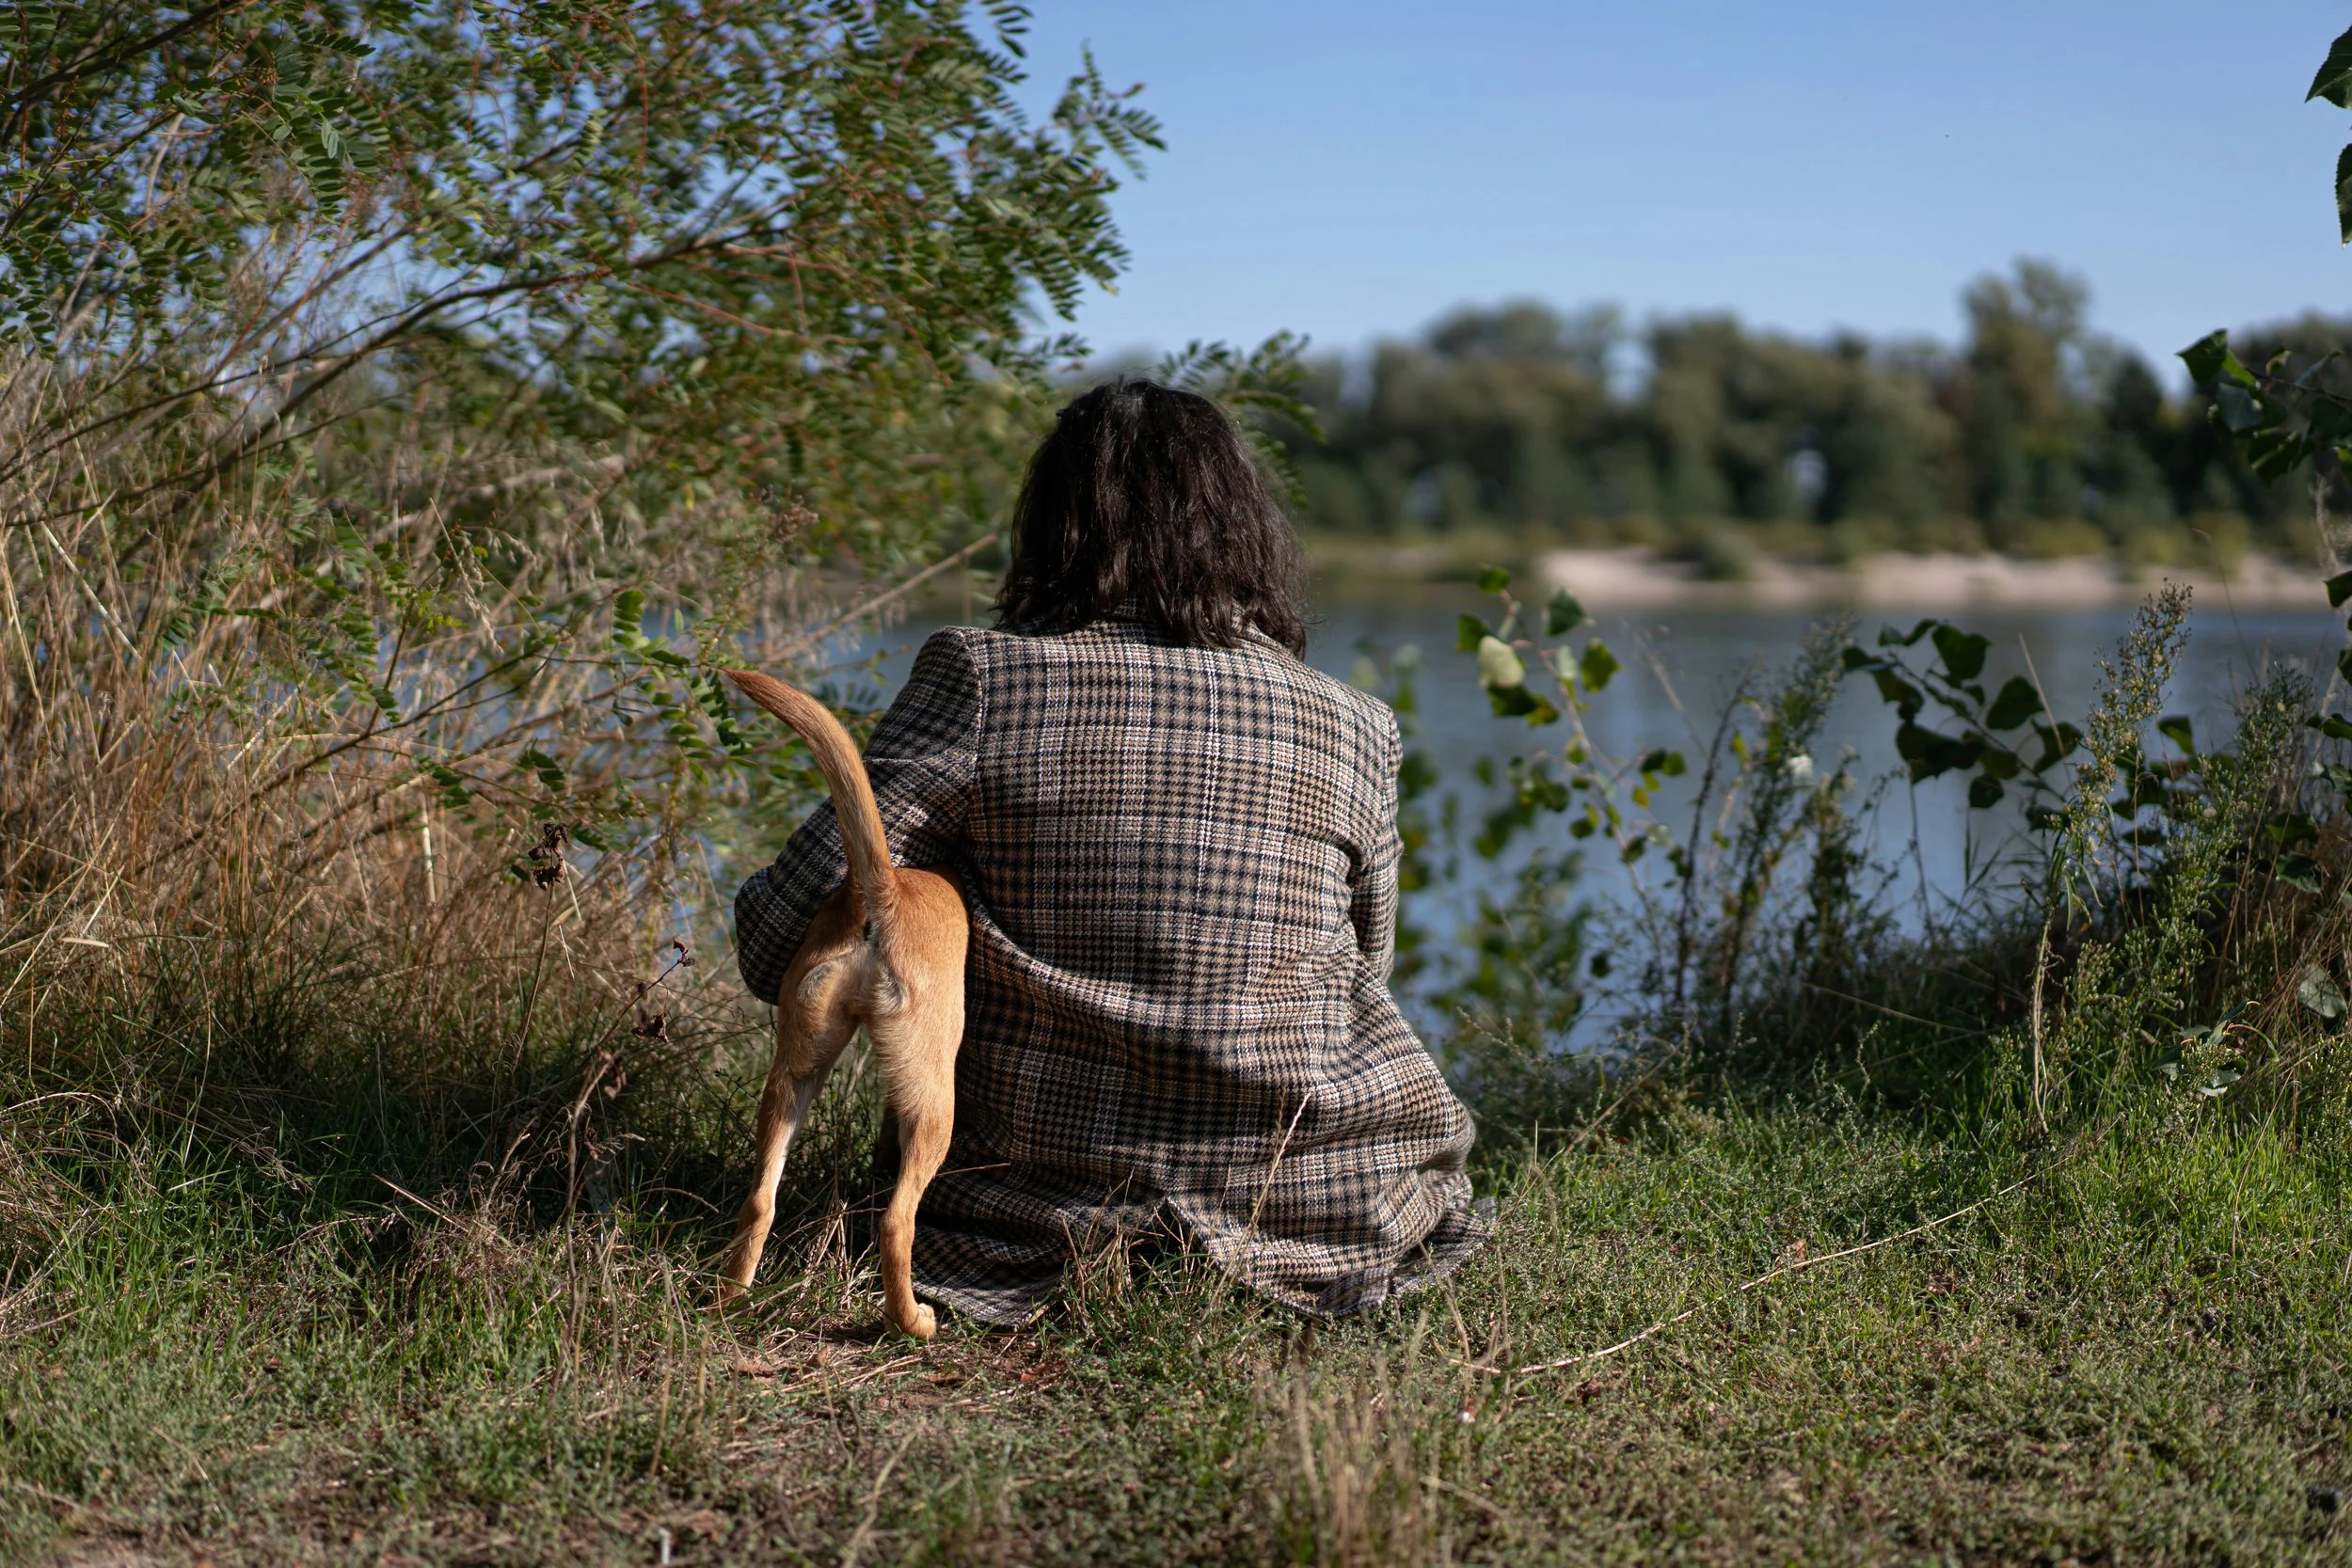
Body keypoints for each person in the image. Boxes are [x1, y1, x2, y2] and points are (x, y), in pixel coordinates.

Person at [733, 378, 1486, 1325]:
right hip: (1317, 1212)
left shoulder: (984, 679)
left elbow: (776, 944)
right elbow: (1364, 968)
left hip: (1021, 1221)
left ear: (1051, 530)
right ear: (1249, 535)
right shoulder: (1356, 723)